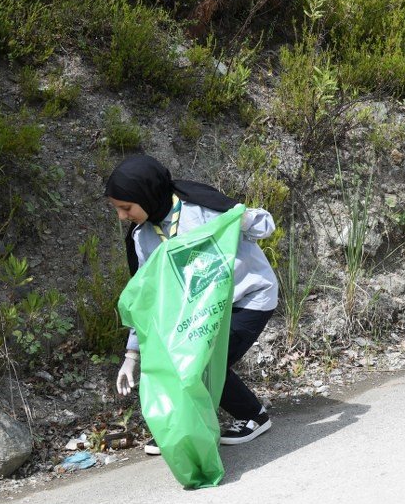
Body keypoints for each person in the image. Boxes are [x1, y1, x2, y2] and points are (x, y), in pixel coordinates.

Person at [106, 154, 279, 453]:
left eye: (126, 208)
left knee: (205, 361)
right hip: (203, 310)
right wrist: (132, 354)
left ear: (146, 194)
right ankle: (181, 428)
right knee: (178, 359)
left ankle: (253, 415)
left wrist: (242, 217)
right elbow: (146, 299)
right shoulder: (142, 238)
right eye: (118, 210)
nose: (122, 217)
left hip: (248, 298)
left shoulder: (200, 208)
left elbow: (266, 226)